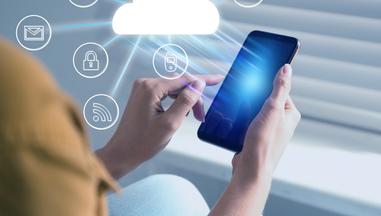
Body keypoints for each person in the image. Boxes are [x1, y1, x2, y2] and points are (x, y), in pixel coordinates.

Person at [0, 36, 300, 216]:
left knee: (172, 190)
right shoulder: (16, 92)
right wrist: (255, 173)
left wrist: (117, 154)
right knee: (174, 194)